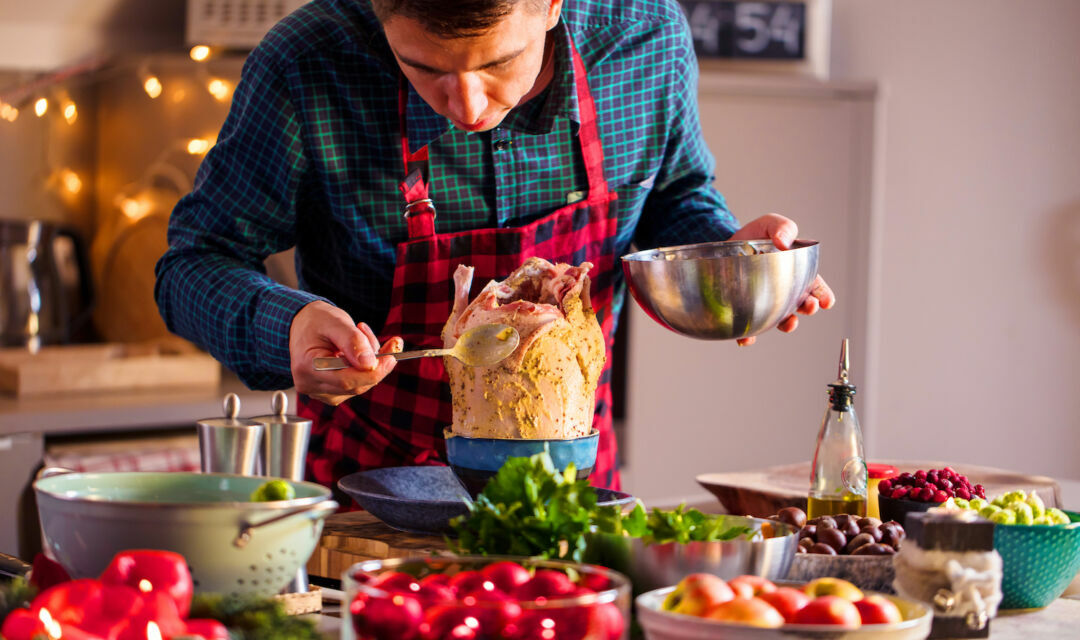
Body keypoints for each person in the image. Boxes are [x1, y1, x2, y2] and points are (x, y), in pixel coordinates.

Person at [155, 0, 834, 500]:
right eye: (424, 68)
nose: (468, 105)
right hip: (368, 506)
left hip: (571, 496)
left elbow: (674, 197)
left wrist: (726, 260)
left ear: (550, 5)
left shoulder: (644, 41)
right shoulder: (308, 66)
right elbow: (193, 261)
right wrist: (290, 327)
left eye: (498, 63)